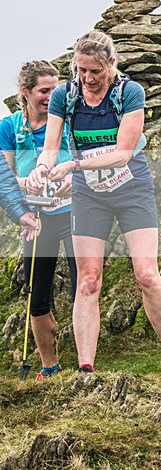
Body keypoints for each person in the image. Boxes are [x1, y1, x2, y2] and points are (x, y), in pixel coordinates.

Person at [28, 30, 161, 373]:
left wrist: (75, 165)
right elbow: (51, 148)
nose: (88, 79)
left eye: (96, 71)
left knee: (145, 273)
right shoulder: (64, 96)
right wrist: (43, 168)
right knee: (88, 279)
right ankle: (86, 368)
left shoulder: (130, 92)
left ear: (112, 64)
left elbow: (123, 153)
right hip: (90, 195)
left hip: (131, 188)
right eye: (82, 70)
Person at [0, 60, 77, 380]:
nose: (50, 96)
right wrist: (23, 213)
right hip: (36, 219)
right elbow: (5, 176)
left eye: (55, 90)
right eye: (44, 91)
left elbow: (84, 159)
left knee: (85, 289)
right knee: (37, 296)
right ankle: (50, 367)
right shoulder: (9, 127)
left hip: (75, 213)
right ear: (25, 92)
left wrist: (73, 177)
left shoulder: (67, 122)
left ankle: (87, 363)